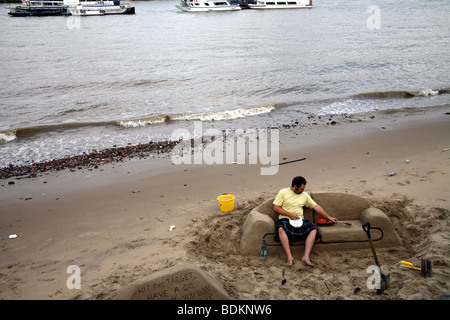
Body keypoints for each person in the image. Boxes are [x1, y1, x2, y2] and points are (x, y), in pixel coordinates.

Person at [273, 176, 337, 267]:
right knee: (280, 229)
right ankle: (289, 257)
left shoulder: (304, 195)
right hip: (285, 219)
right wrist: (289, 214)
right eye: (301, 189)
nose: (303, 191)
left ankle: (306, 257)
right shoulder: (283, 192)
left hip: (300, 220)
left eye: (304, 189)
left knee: (313, 230)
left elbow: (316, 207)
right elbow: (276, 207)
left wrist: (329, 217)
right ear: (295, 186)